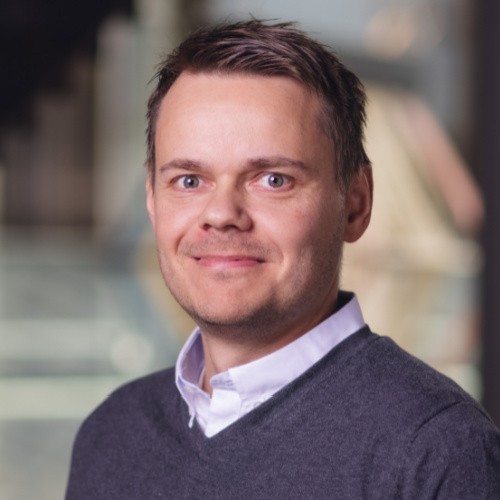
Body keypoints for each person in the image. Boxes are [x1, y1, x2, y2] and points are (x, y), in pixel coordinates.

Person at [66, 20, 500, 499]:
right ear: (152, 198)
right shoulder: (113, 435)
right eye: (189, 181)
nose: (221, 215)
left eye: (273, 179)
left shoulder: (437, 450)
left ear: (356, 204)